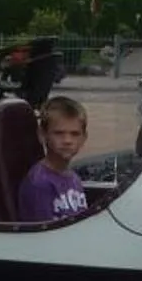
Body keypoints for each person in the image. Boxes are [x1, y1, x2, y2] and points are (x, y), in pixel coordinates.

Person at [15, 94, 94, 223]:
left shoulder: (74, 178)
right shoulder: (39, 184)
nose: (67, 141)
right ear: (42, 135)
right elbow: (43, 236)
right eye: (59, 133)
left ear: (83, 138)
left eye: (75, 134)